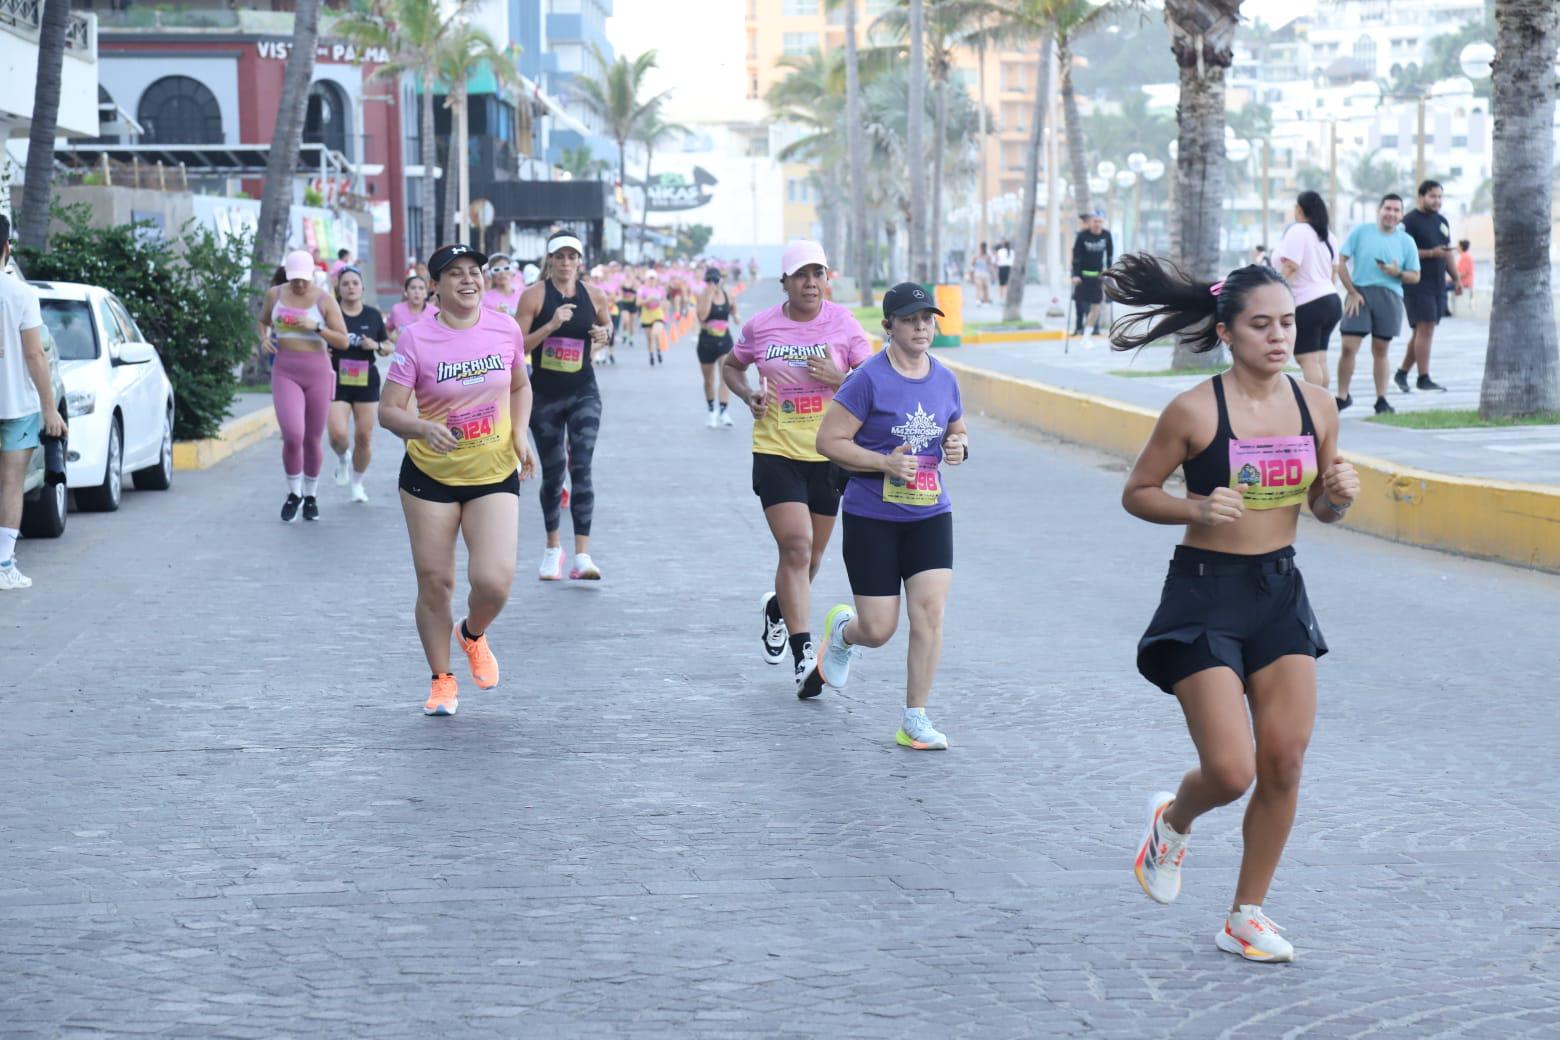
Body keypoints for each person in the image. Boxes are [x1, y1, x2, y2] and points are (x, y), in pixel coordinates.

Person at [1104, 254, 1360, 964]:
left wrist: (1337, 494)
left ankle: (1246, 913)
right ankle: (1172, 820)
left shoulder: (1317, 405)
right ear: (1227, 331)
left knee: (1283, 761)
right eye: (1261, 325)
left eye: (1287, 322)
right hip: (1204, 593)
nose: (1279, 337)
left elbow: (1323, 509)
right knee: (1231, 770)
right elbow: (1137, 491)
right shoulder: (1194, 409)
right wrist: (1195, 505)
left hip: (1279, 592)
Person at [379, 243, 537, 717]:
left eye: (475, 272)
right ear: (435, 287)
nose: (468, 280)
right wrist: (421, 426)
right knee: (435, 583)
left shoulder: (504, 327)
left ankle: (471, 634)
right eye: (455, 274)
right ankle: (442, 679)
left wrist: (520, 435)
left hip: (492, 471)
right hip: (430, 475)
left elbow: (520, 385)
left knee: (494, 582)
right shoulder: (415, 339)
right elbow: (388, 410)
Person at [814, 282, 968, 749]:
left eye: (927, 318)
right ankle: (844, 633)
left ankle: (914, 718)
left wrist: (959, 446)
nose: (922, 327)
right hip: (872, 517)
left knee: (930, 612)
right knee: (879, 629)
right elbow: (829, 442)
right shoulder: (867, 379)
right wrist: (884, 462)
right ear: (889, 327)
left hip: (929, 513)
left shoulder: (944, 378)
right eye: (910, 319)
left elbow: (956, 428)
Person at [722, 240, 872, 695]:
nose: (811, 282)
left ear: (828, 278)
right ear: (784, 282)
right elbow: (732, 365)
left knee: (813, 557)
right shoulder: (761, 326)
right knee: (797, 544)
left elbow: (872, 378)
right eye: (801, 275)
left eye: (818, 274)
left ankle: (778, 610)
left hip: (830, 453)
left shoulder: (844, 323)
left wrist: (840, 379)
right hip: (776, 451)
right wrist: (749, 395)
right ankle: (805, 653)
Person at [515, 232, 614, 581]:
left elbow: (607, 326)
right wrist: (552, 325)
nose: (566, 263)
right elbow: (517, 346)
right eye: (560, 257)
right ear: (550, 260)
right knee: (555, 472)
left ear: (579, 261)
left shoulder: (595, 295)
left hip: (583, 390)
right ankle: (552, 548)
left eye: (572, 257)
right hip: (544, 396)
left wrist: (606, 335)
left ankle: (582, 556)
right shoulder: (534, 296)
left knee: (582, 467)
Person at [0, 216, 67, 590]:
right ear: (7, 248)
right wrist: (49, 407)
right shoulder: (20, 293)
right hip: (15, 405)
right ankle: (4, 566)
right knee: (11, 483)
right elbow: (34, 355)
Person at [258, 249, 350, 522]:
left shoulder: (324, 300)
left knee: (312, 437)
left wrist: (316, 327)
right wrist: (262, 338)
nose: (299, 284)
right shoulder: (275, 295)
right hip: (285, 371)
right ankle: (293, 491)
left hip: (318, 373)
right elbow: (262, 321)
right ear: (287, 274)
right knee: (293, 434)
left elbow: (343, 341)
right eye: (294, 279)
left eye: (303, 279)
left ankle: (311, 495)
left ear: (312, 275)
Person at [1335, 194, 1421, 415]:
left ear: (1401, 215)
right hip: (1359, 294)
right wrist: (1351, 291)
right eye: (1388, 209)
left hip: (1390, 296)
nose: (1391, 214)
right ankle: (1342, 396)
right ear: (1379, 210)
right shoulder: (1360, 232)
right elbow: (1341, 262)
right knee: (1348, 346)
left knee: (1381, 350)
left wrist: (1397, 272)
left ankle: (1381, 399)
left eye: (1396, 210)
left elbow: (1415, 276)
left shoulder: (1406, 241)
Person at [328, 267, 391, 502]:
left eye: (355, 283)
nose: (351, 287)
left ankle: (357, 483)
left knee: (363, 437)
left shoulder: (373, 315)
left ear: (362, 288)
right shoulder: (332, 315)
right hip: (337, 380)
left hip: (366, 381)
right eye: (346, 284)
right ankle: (343, 458)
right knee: (337, 436)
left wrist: (374, 345)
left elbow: (387, 348)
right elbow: (319, 341)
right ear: (339, 289)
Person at [1274, 192, 1341, 390]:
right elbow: (1333, 273)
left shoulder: (1298, 230)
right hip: (1331, 300)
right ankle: (1325, 407)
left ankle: (1314, 409)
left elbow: (1291, 266)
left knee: (1307, 359)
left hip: (1308, 303)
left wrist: (1274, 292)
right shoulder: (1329, 236)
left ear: (1300, 209)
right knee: (1319, 359)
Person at [1395, 180, 1452, 394]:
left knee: (1423, 331)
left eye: (1439, 196)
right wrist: (1430, 253)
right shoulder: (1408, 222)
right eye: (1432, 196)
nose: (1436, 201)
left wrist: (1455, 278)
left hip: (1437, 283)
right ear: (1421, 197)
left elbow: (1446, 252)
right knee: (1426, 328)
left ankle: (1402, 373)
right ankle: (1423, 377)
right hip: (1416, 283)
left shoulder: (1442, 221)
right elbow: (1400, 254)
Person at [695, 266, 737, 428]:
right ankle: (711, 410)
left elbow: (735, 312)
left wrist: (736, 314)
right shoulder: (702, 296)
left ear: (720, 280)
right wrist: (709, 295)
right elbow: (703, 316)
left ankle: (724, 410)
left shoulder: (728, 295)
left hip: (725, 341)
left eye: (715, 280)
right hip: (706, 342)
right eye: (709, 280)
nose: (712, 283)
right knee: (709, 380)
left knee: (725, 375)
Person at [1071, 212, 1114, 339]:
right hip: (1082, 277)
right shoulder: (1082, 236)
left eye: (1100, 221)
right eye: (1095, 221)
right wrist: (1075, 275)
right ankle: (1079, 327)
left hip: (1097, 276)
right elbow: (1076, 257)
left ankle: (1088, 333)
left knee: (1096, 305)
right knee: (1081, 304)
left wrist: (1109, 272)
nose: (1097, 224)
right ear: (1090, 223)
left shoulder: (1107, 235)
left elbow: (1110, 255)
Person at [386, 275, 437, 344]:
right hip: (402, 352)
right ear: (406, 292)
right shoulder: (396, 309)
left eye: (421, 288)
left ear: (426, 293)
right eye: (413, 288)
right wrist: (392, 340)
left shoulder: (434, 312)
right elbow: (387, 329)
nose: (417, 292)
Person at [482, 254, 524, 318]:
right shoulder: (485, 298)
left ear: (512, 271)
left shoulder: (523, 294)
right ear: (490, 274)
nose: (502, 273)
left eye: (506, 268)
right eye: (496, 270)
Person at [638, 273, 668, 364]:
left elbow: (664, 302)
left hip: (658, 314)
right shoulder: (642, 289)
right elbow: (638, 303)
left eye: (653, 279)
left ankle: (658, 350)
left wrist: (663, 309)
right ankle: (651, 354)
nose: (651, 281)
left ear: (656, 280)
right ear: (646, 279)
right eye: (650, 279)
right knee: (649, 338)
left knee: (654, 333)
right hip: (646, 315)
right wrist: (648, 300)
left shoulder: (660, 289)